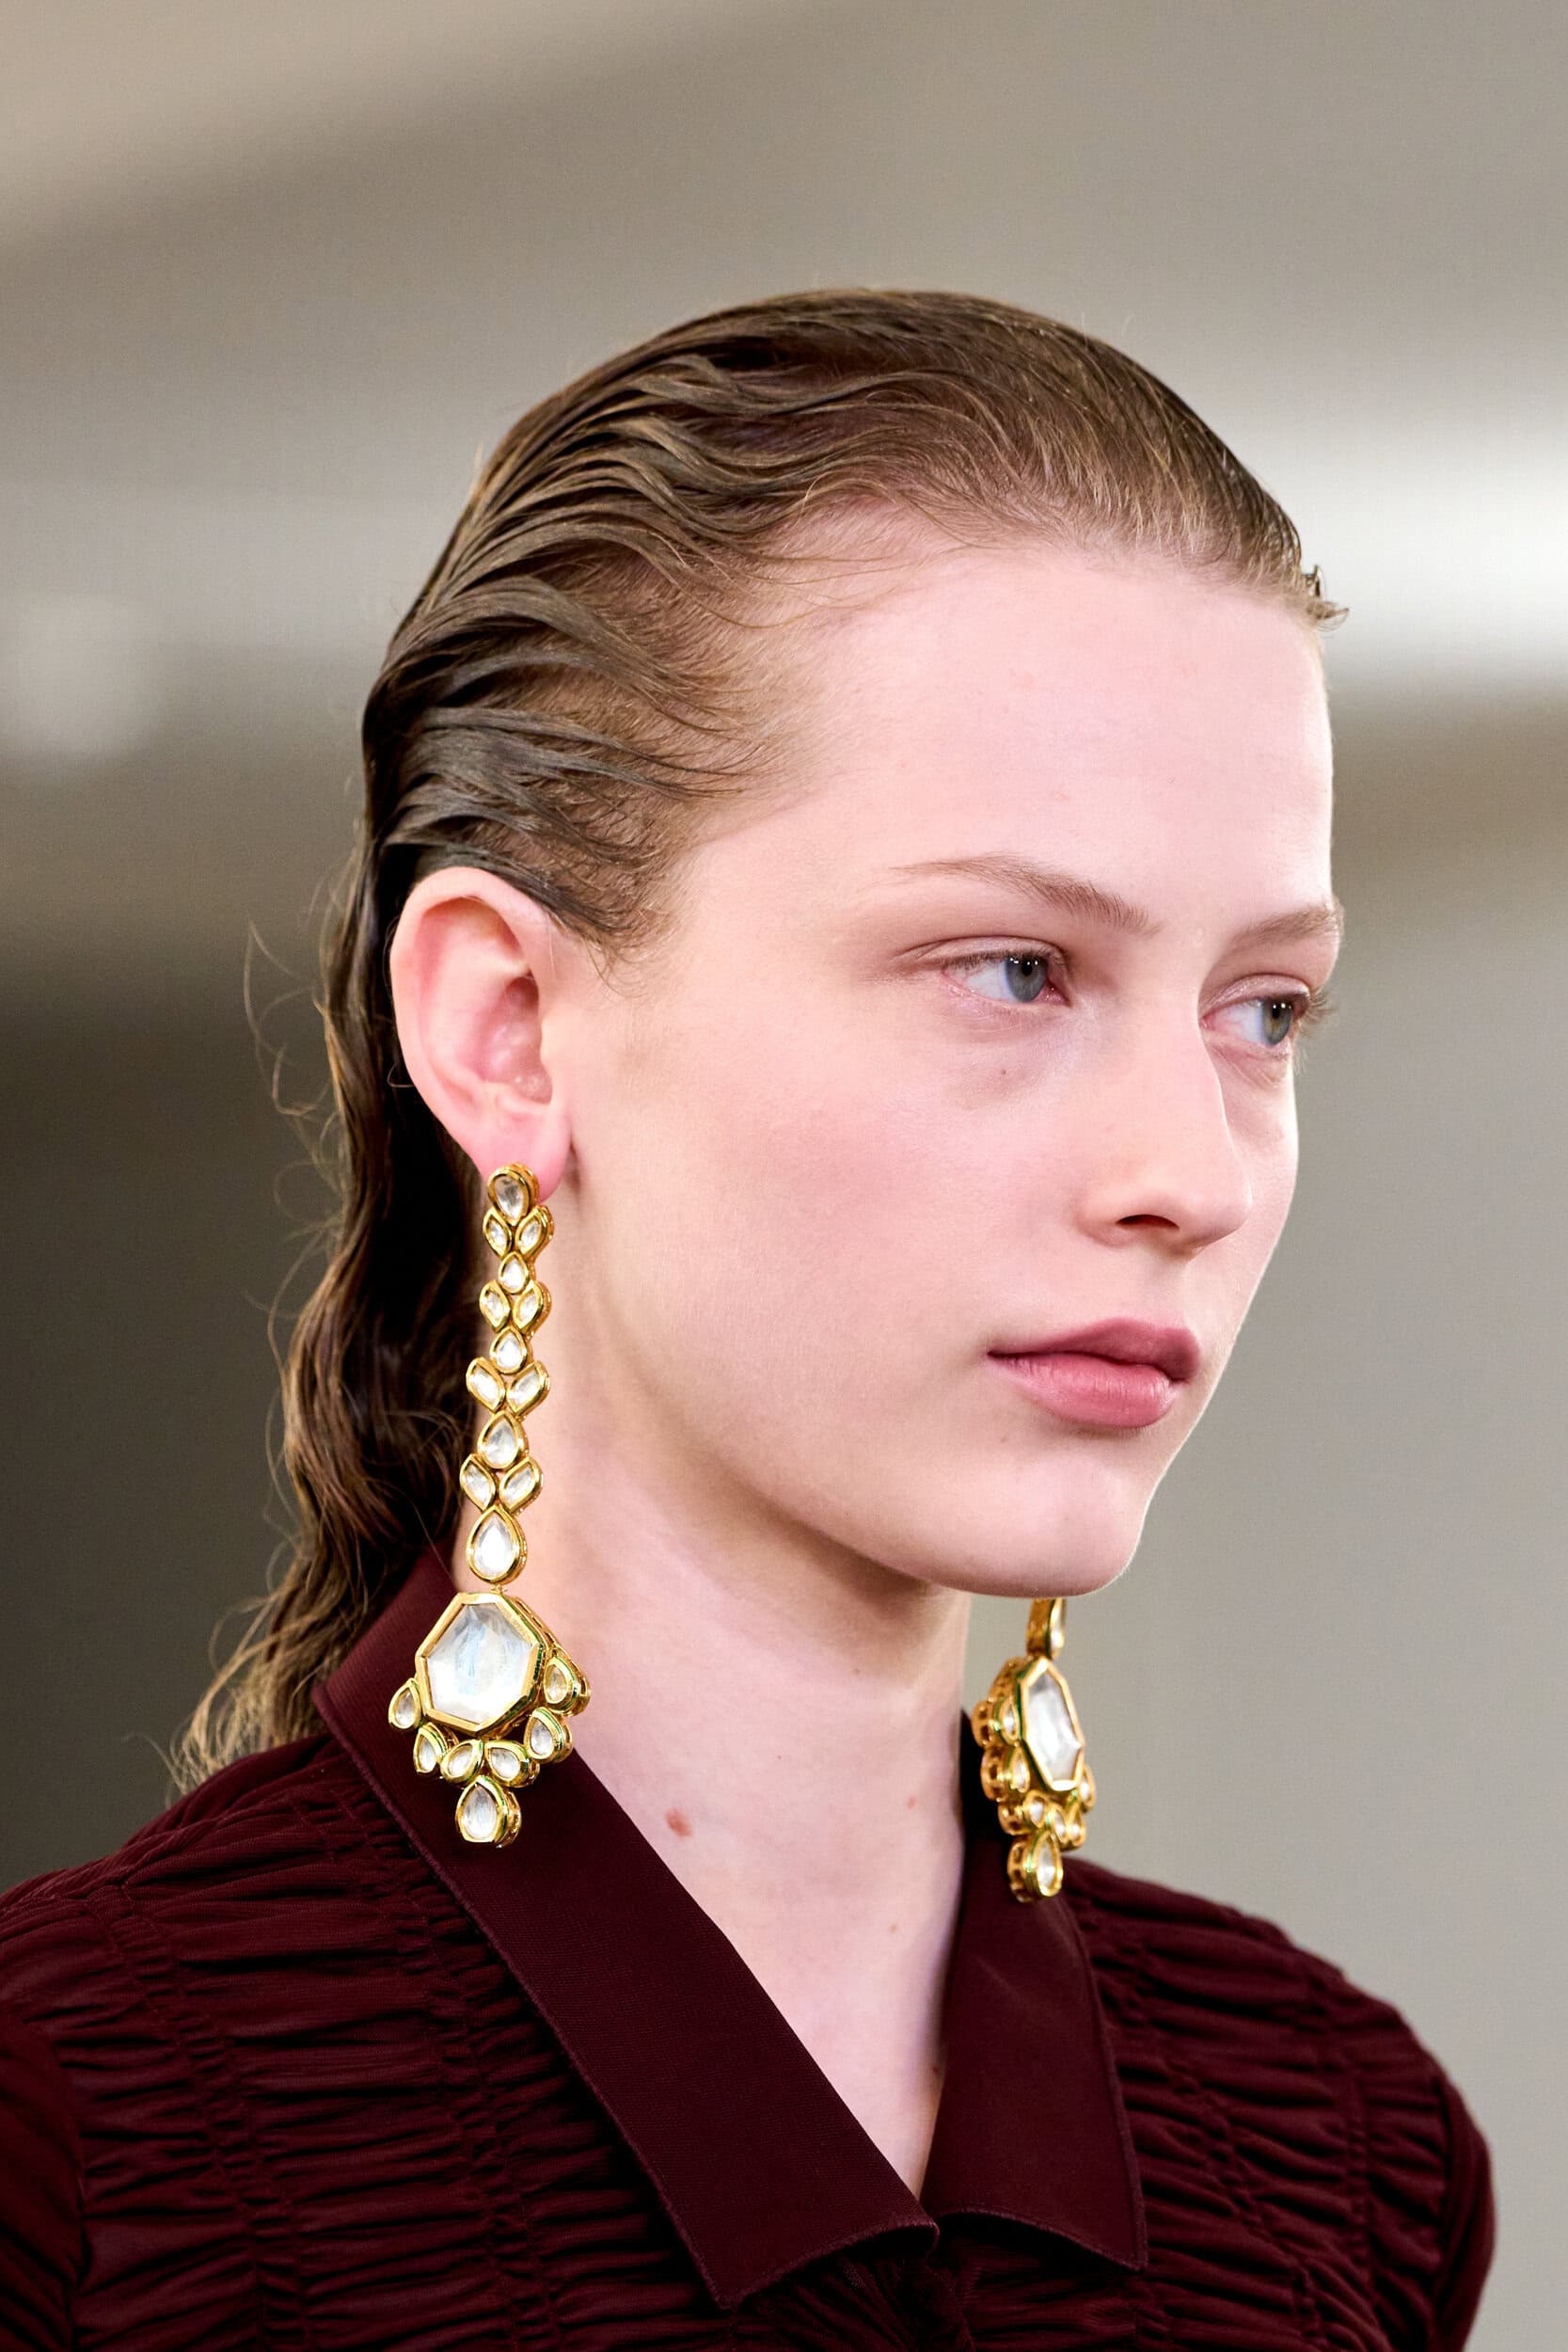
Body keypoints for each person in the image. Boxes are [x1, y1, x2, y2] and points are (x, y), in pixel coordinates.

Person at [0, 291, 1493, 2348]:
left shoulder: (1340, 2141)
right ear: (510, 1027)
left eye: (1265, 1007)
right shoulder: (78, 2129)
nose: (1194, 1170)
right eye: (1015, 969)